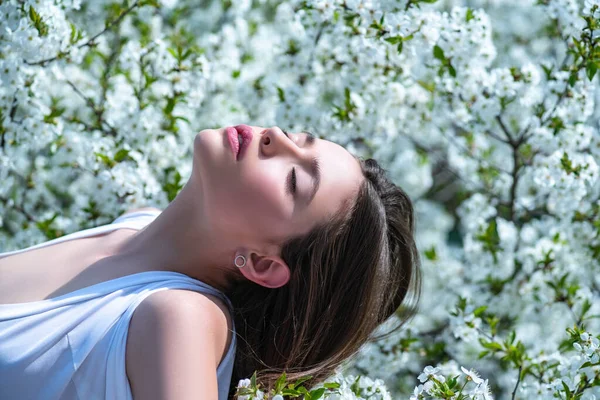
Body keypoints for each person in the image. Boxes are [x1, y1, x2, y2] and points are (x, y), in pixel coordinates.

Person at [0, 124, 421, 400]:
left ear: (263, 263)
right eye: (298, 136)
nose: (274, 136)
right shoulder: (135, 224)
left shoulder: (180, 319)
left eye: (295, 180)